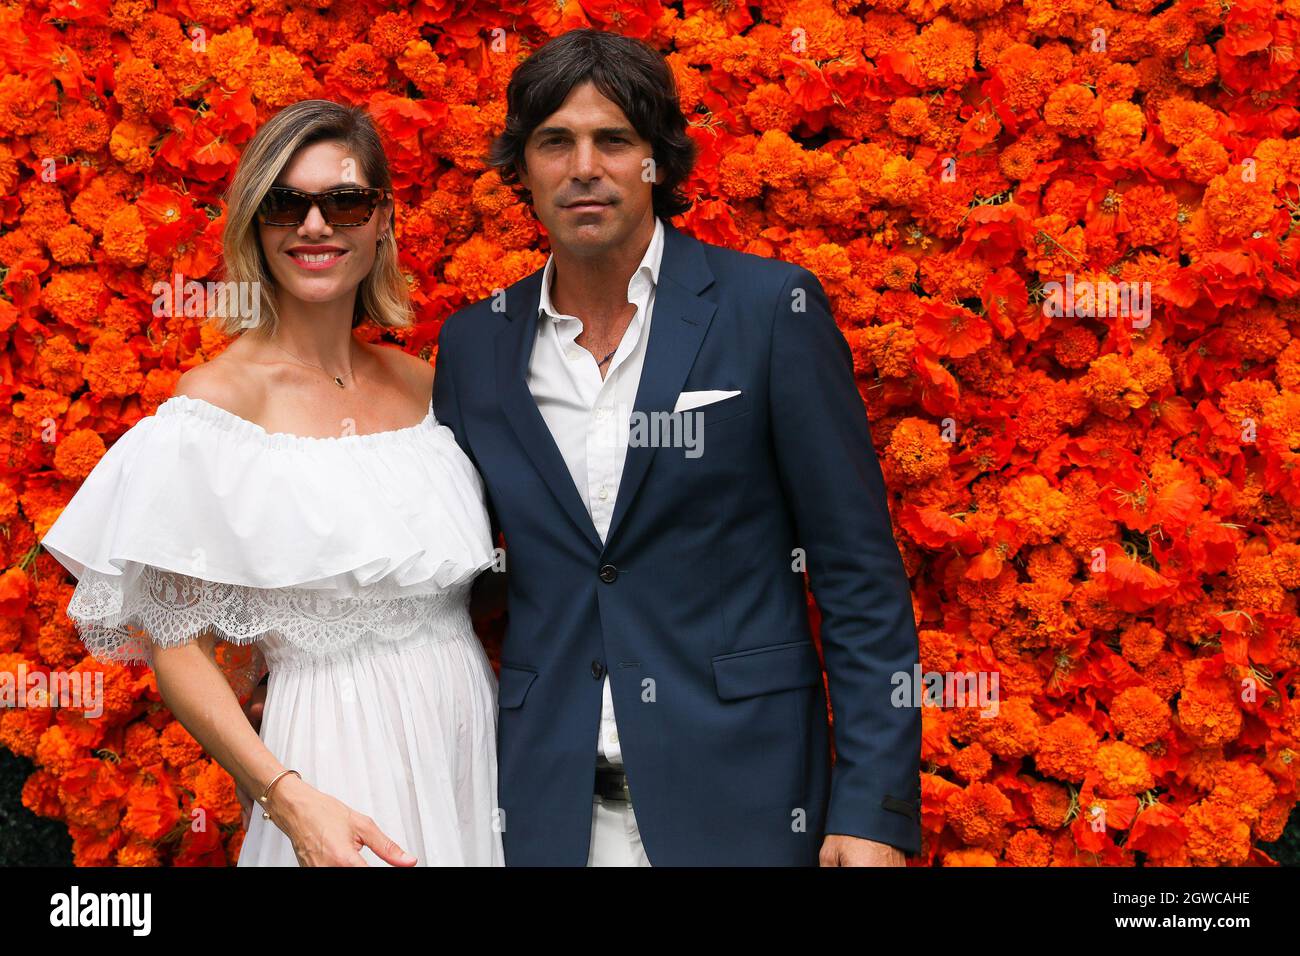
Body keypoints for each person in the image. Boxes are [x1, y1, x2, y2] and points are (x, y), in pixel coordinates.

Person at [430, 28, 924, 866]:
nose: (585, 166)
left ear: (658, 159)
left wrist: (871, 809)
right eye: (556, 142)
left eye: (613, 140)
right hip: (543, 807)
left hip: (746, 797)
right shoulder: (477, 345)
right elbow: (462, 574)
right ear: (523, 170)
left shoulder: (769, 311)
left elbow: (857, 572)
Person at [39, 100, 504, 866]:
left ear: (383, 219)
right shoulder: (215, 408)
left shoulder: (429, 388)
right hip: (330, 758)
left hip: (470, 745)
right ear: (257, 222)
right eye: (286, 203)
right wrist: (287, 799)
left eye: (344, 202)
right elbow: (173, 640)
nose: (315, 226)